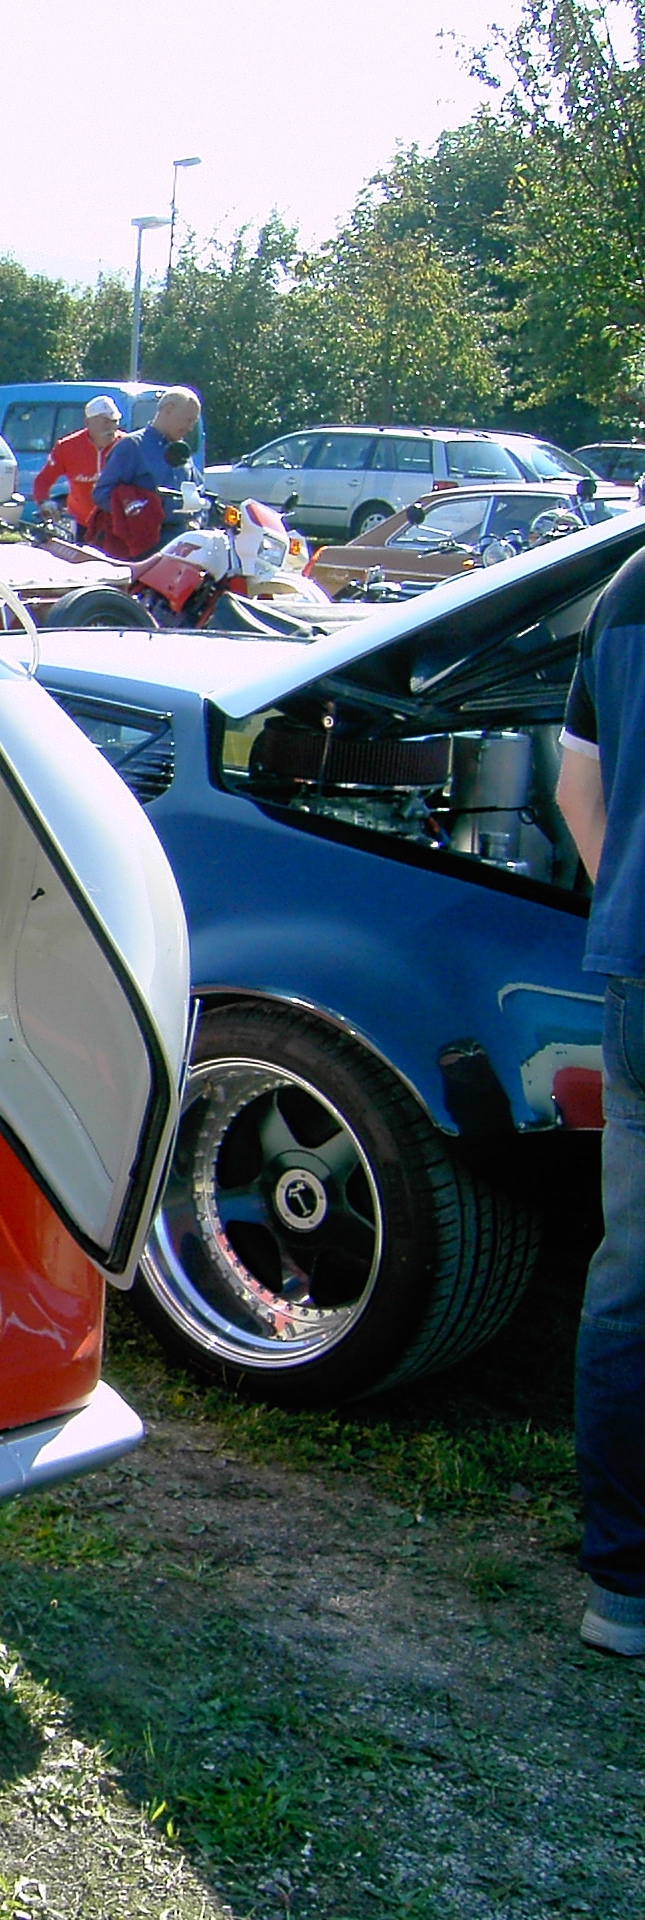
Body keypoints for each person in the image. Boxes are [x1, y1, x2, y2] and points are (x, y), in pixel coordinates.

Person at [554, 542, 645, 1658]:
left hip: (639, 978)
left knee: (630, 1285)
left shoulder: (626, 588)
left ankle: (623, 1592)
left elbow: (577, 791)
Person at [89, 388, 202, 560]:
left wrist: (197, 520)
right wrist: (137, 513)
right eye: (189, 420)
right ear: (169, 409)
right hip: (141, 547)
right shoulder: (132, 446)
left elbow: (200, 492)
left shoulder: (181, 451)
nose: (190, 427)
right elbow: (102, 494)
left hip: (180, 545)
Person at [30, 394, 124, 527]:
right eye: (105, 422)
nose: (111, 428)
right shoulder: (67, 447)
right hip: (81, 522)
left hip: (116, 521)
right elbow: (42, 480)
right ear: (88, 423)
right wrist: (44, 502)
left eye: (114, 421)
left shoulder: (127, 445)